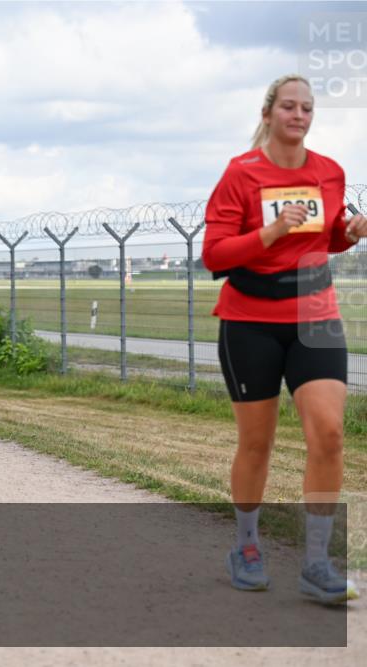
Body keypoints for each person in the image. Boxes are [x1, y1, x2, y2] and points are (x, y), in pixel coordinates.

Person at [202, 74, 365, 605]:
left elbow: (327, 234)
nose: (299, 115)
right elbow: (215, 255)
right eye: (289, 107)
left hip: (315, 315)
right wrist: (267, 234)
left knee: (330, 433)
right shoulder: (241, 174)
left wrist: (349, 232)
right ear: (269, 112)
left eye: (307, 108)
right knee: (257, 443)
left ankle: (317, 561)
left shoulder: (329, 172)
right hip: (250, 318)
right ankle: (246, 546)